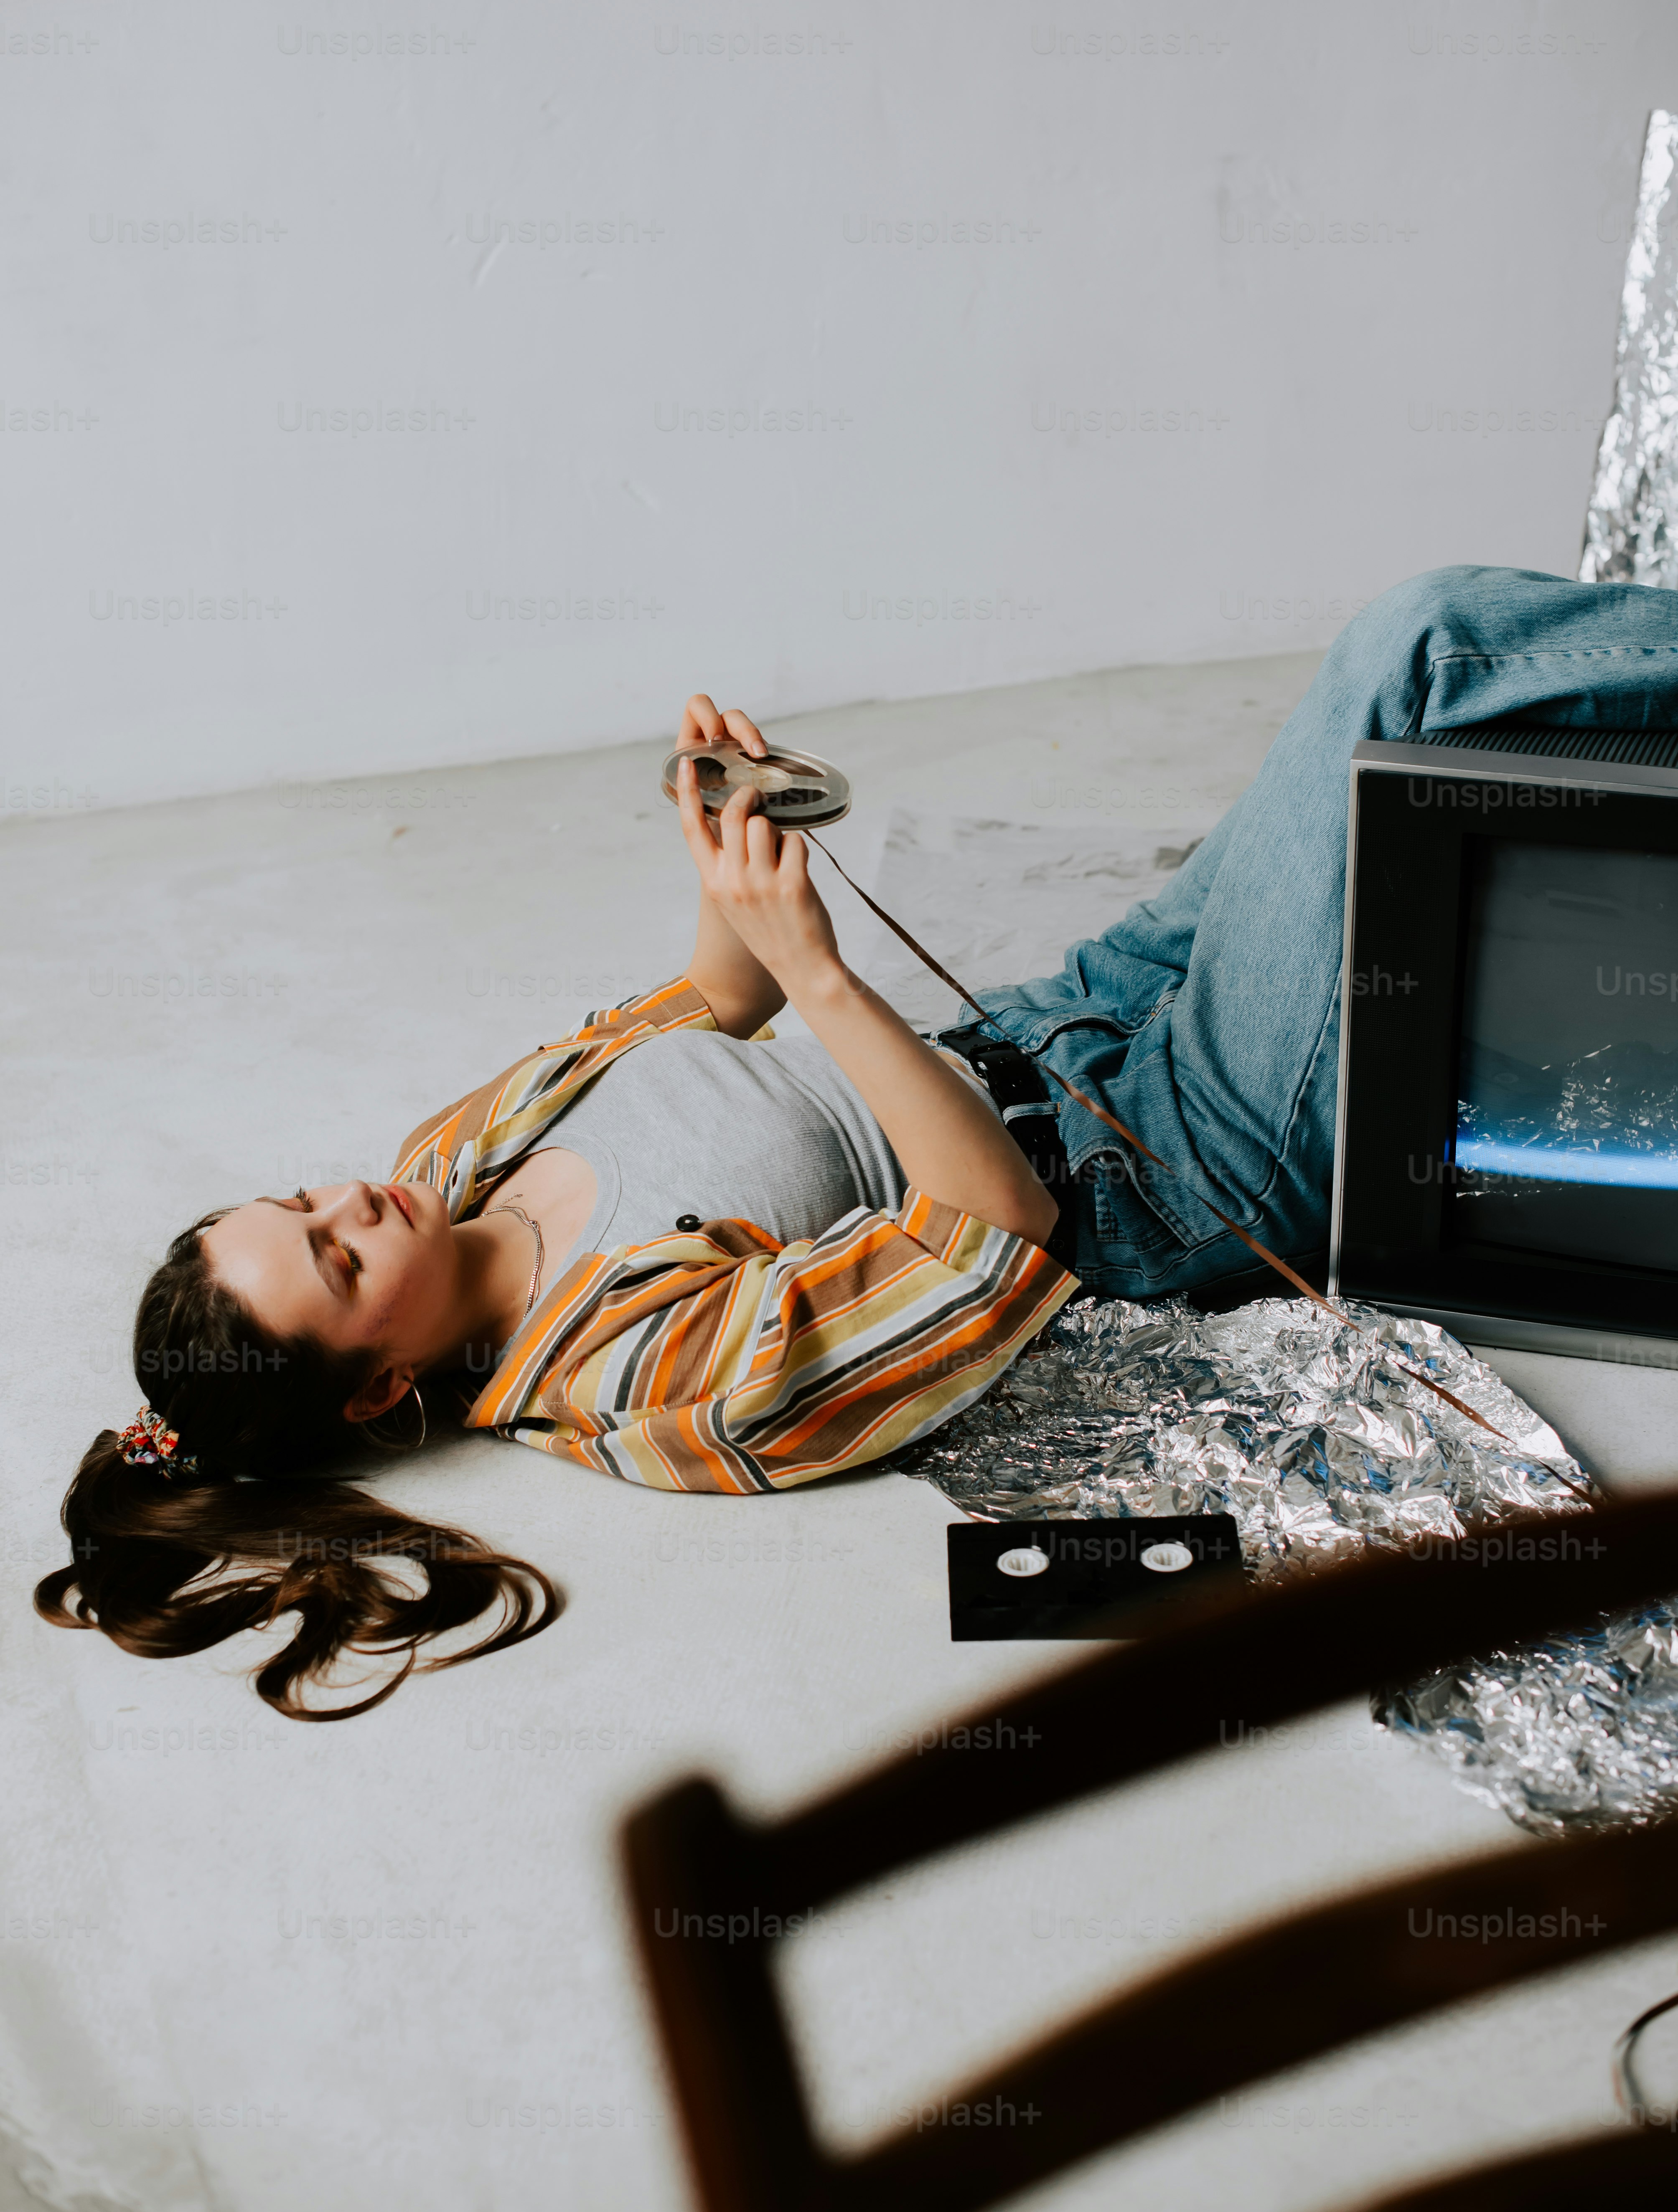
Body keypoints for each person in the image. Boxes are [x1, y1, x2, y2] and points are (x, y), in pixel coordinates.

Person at [39, 564, 1678, 1717]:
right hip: (1166, 1146)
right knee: (1412, 653)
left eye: (296, 1198)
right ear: (382, 1385)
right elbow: (999, 1219)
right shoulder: (628, 1378)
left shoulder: (459, 1152)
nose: (349, 1202)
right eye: (335, 1259)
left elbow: (705, 995)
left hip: (1073, 1007)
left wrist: (719, 832)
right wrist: (821, 969)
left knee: (1392, 711)